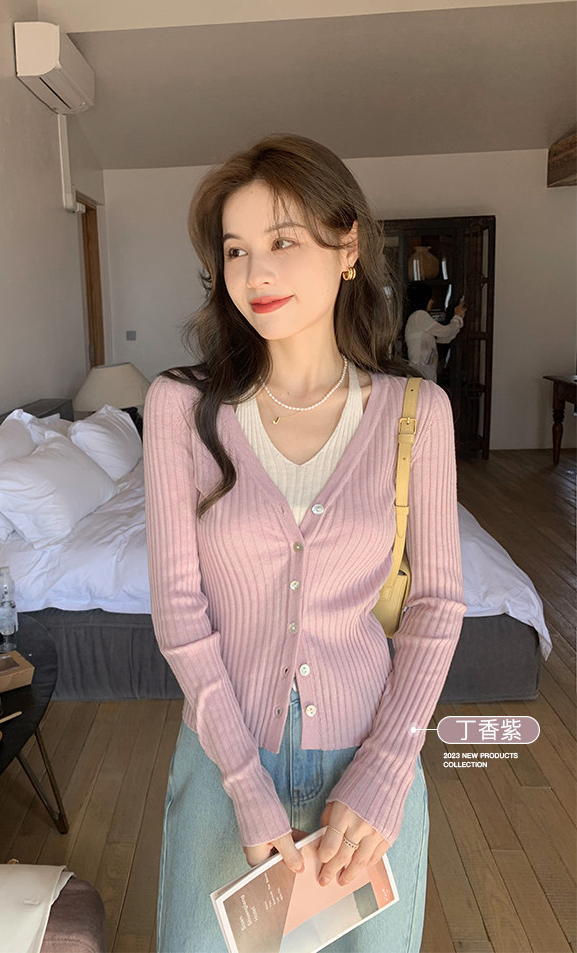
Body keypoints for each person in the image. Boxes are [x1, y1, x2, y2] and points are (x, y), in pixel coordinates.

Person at [143, 134, 466, 953]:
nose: (256, 274)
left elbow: (436, 605)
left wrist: (388, 768)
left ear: (347, 245)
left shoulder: (417, 414)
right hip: (223, 765)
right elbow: (177, 607)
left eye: (283, 241)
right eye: (236, 250)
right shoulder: (179, 408)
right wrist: (243, 781)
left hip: (368, 770)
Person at [404, 283, 466, 381]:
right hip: (419, 374)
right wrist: (457, 317)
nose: (432, 301)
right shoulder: (419, 315)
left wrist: (458, 318)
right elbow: (445, 332)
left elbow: (444, 338)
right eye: (430, 298)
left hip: (423, 374)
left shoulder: (416, 318)